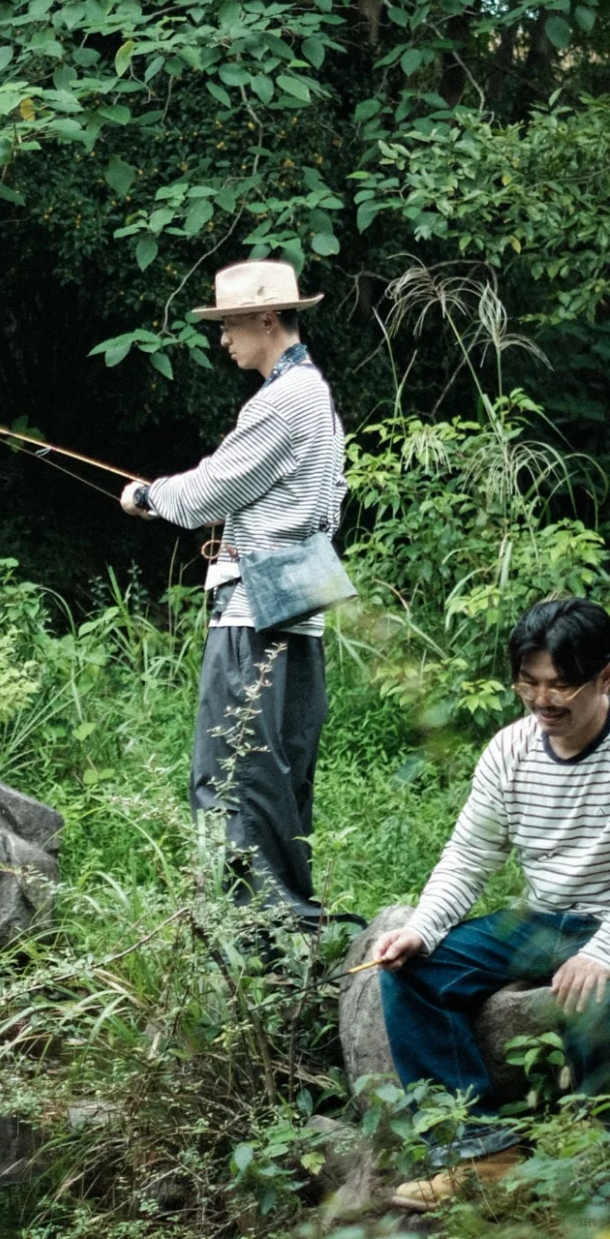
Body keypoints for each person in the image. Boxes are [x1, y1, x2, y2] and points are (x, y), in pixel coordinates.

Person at [120, 258, 347, 925]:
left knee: (233, 775)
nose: (223, 339)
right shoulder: (315, 393)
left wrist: (147, 496)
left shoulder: (284, 399)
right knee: (276, 775)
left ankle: (265, 943)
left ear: (267, 319)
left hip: (255, 613)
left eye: (230, 325)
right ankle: (285, 935)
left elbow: (209, 489)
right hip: (295, 604)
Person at [372, 597, 610, 1207]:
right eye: (528, 683)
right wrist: (421, 929)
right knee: (411, 971)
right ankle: (483, 1154)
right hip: (538, 919)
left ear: (605, 677)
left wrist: (602, 953)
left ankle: (594, 1156)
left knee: (597, 995)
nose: (542, 701)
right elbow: (468, 857)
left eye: (561, 686)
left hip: (604, 922)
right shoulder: (510, 750)